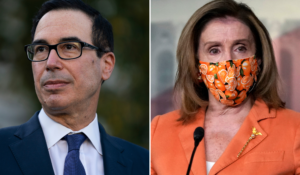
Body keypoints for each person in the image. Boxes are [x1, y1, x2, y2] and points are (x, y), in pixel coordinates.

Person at [151, 0, 300, 174]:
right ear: (196, 65)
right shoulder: (160, 130)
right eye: (214, 50)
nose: (228, 61)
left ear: (258, 60)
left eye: (240, 48)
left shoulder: (294, 128)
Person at [0, 0, 149, 174]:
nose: (51, 63)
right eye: (41, 49)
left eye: (69, 47)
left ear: (106, 65)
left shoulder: (143, 163)